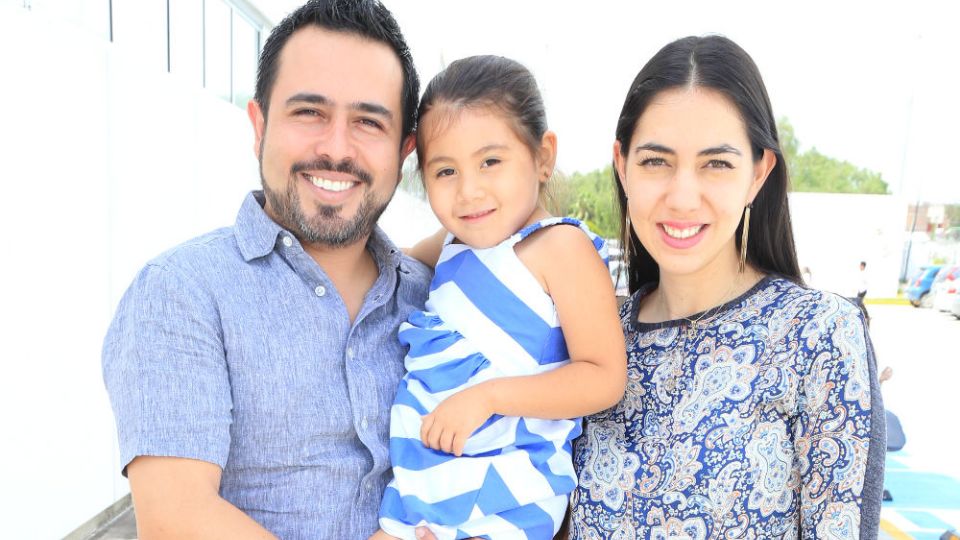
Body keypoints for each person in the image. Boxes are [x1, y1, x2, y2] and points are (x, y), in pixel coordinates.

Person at [101, 1, 432, 537]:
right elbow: (177, 520)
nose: (336, 148)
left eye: (369, 122)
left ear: (404, 151)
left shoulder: (436, 298)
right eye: (309, 112)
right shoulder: (183, 292)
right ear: (259, 126)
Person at [569, 36, 886, 538]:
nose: (683, 196)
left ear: (758, 173)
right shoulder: (593, 343)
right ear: (622, 166)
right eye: (656, 161)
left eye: (716, 163)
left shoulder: (817, 336)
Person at [374, 56, 627, 539]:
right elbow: (387, 260)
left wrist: (488, 397)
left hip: (509, 488)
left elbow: (604, 376)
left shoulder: (560, 247)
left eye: (490, 162)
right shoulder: (451, 243)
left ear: (543, 156)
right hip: (427, 482)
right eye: (445, 171)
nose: (469, 191)